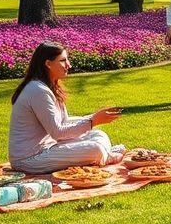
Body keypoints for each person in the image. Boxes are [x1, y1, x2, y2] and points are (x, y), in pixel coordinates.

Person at [9, 42, 125, 174]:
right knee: (95, 149)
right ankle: (105, 155)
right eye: (63, 61)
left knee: (98, 134)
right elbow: (58, 132)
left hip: (49, 147)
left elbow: (64, 121)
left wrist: (94, 117)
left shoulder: (49, 86)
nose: (69, 65)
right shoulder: (38, 90)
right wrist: (92, 121)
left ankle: (104, 153)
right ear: (48, 64)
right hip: (28, 160)